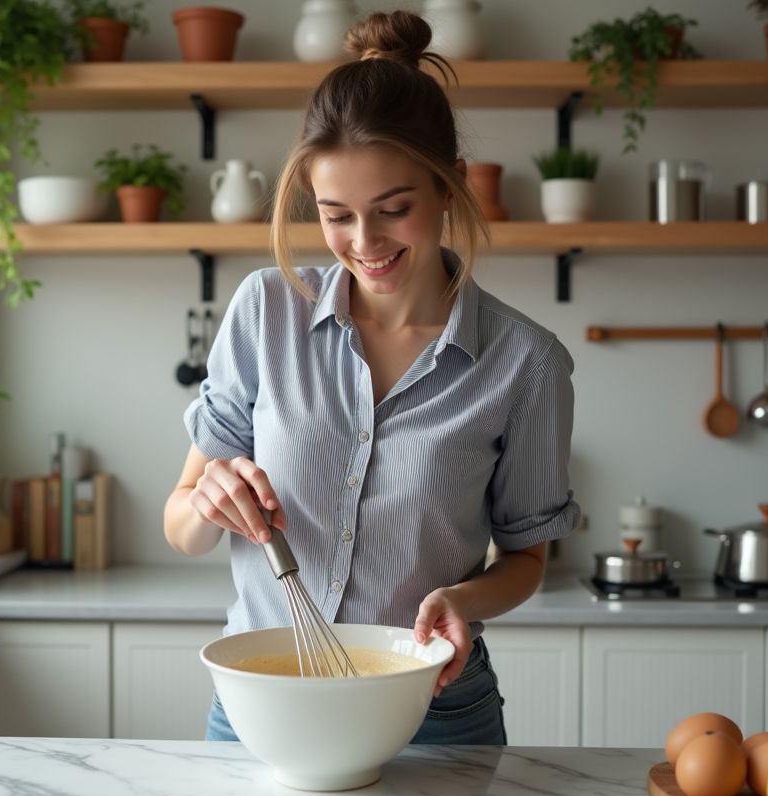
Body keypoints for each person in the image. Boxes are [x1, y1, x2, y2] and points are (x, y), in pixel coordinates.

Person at [163, 9, 579, 746]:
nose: (364, 243)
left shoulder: (526, 363)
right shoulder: (265, 311)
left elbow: (525, 560)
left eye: (394, 210)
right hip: (264, 701)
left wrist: (463, 599)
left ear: (449, 187)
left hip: (433, 711)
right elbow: (182, 529)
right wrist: (208, 499)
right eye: (336, 216)